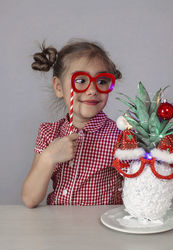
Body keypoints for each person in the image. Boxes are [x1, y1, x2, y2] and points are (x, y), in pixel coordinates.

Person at [21, 39, 123, 208]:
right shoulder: (49, 133)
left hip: (102, 228)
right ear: (59, 87)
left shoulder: (120, 136)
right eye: (81, 81)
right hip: (59, 227)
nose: (92, 90)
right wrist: (48, 158)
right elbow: (29, 199)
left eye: (102, 81)